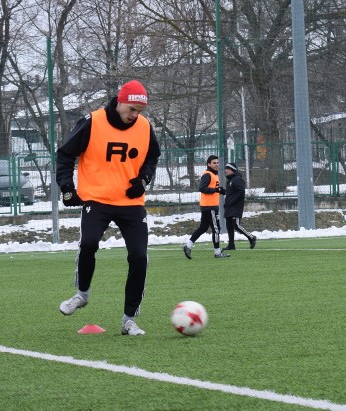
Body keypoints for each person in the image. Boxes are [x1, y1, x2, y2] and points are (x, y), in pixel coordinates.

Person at [56, 80, 161, 336]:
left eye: (139, 111)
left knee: (139, 256)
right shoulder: (93, 121)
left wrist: (143, 180)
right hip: (97, 200)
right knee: (89, 243)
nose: (135, 115)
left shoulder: (145, 127)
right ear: (120, 101)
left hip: (131, 204)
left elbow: (152, 156)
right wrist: (67, 188)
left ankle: (129, 320)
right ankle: (81, 294)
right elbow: (65, 154)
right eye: (132, 109)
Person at [183, 155, 230, 259]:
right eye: (214, 163)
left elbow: (213, 189)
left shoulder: (214, 175)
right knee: (216, 229)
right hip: (210, 207)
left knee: (203, 228)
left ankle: (188, 246)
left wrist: (220, 190)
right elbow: (202, 188)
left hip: (209, 206)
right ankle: (217, 253)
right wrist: (216, 190)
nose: (216, 164)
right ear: (209, 164)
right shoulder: (208, 174)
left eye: (217, 163)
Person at [222, 162, 256, 250]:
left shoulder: (237, 179)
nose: (225, 170)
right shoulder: (230, 180)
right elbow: (231, 193)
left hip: (235, 207)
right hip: (229, 207)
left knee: (236, 225)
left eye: (227, 169)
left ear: (232, 170)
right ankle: (231, 245)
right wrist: (222, 191)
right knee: (229, 226)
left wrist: (232, 202)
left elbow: (241, 192)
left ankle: (251, 237)